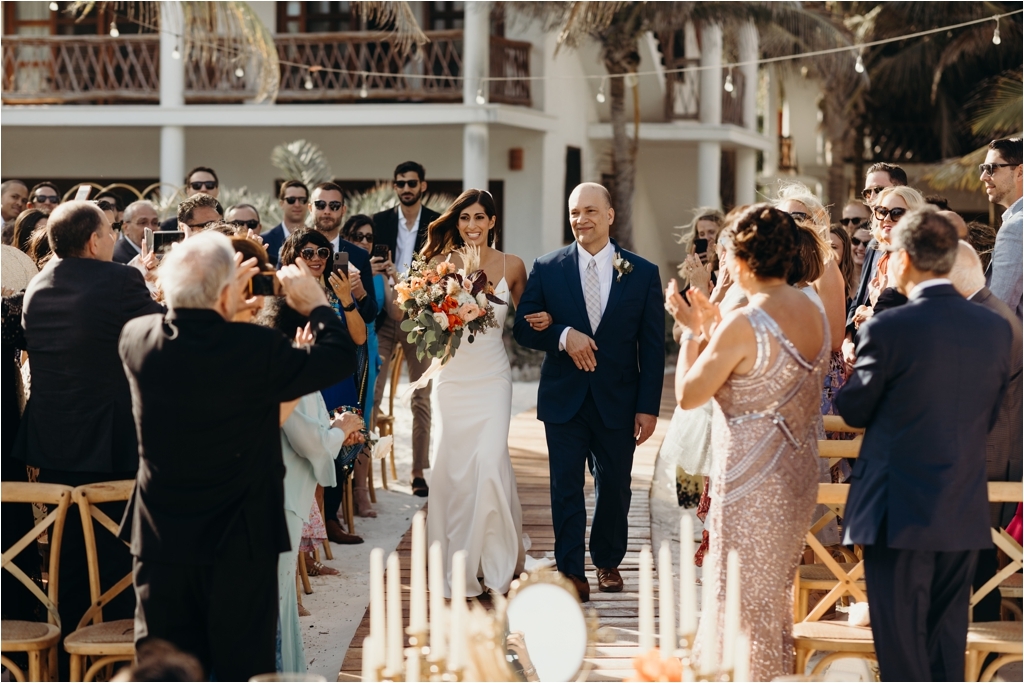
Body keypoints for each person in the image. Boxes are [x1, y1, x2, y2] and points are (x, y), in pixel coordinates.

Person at [117, 231, 358, 681]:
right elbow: (340, 356)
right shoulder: (259, 350)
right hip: (241, 544)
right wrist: (316, 305)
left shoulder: (137, 338)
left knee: (163, 667)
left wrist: (222, 300)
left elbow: (185, 326)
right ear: (227, 292)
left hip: (164, 540)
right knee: (239, 668)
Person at [836, 208, 1012, 682]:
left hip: (898, 510)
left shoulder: (890, 327)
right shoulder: (997, 329)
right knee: (944, 642)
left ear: (904, 259)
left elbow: (854, 408)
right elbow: (988, 415)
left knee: (900, 646)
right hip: (962, 507)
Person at [666, 204, 827, 680]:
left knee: (738, 597)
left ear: (740, 260)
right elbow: (762, 373)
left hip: (750, 485)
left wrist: (695, 334)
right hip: (796, 475)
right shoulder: (812, 310)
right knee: (769, 600)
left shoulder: (744, 323)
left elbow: (689, 394)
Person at [14, 201, 163, 675]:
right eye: (110, 230)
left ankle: (69, 661)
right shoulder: (120, 280)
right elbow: (164, 334)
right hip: (111, 444)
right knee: (119, 564)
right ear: (96, 240)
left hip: (53, 443)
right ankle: (112, 664)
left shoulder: (38, 284)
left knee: (68, 562)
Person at [513, 182, 664, 601]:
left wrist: (648, 407)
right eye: (575, 212)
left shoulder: (644, 273)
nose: (582, 219)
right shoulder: (547, 267)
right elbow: (523, 326)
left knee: (614, 485)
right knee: (565, 487)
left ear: (610, 215)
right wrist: (562, 335)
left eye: (591, 211)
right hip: (564, 397)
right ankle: (571, 571)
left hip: (619, 399)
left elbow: (652, 348)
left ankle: (608, 560)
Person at [418, 189, 529, 597]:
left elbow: (530, 320)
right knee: (455, 467)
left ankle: (497, 564)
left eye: (480, 217)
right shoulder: (437, 266)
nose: (472, 225)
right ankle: (460, 563)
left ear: (493, 221)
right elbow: (426, 328)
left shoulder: (512, 265)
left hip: (493, 377)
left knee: (489, 459)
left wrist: (550, 321)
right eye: (465, 218)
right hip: (454, 378)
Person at [256, 295, 364, 672]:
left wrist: (334, 431)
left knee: (281, 597)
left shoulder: (281, 363)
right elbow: (309, 440)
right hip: (281, 497)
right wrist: (340, 429)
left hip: (283, 494)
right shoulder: (290, 370)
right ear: (304, 331)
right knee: (278, 603)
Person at [947, 241, 1023, 622]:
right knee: (976, 561)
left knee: (976, 562)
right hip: (984, 454)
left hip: (984, 457)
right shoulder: (987, 311)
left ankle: (981, 650)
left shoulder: (987, 320)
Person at [279, 228, 368, 544]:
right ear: (294, 255)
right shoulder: (283, 293)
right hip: (304, 377)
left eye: (323, 252)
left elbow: (359, 338)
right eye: (308, 253)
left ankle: (329, 518)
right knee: (311, 448)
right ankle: (312, 531)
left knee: (339, 447)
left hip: (336, 378)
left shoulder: (336, 289)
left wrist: (346, 300)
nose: (317, 258)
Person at [371, 161, 442, 495]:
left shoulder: (437, 223)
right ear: (394, 186)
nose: (406, 188)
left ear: (422, 185)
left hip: (419, 320)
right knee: (371, 393)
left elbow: (442, 268)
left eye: (412, 182)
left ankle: (417, 471)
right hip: (384, 318)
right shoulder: (379, 222)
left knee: (421, 399)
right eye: (400, 183)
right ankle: (363, 470)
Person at [341, 213, 404, 517]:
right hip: (343, 347)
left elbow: (395, 314)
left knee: (367, 417)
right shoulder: (341, 268)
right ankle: (338, 493)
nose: (364, 242)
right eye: (357, 236)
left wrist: (391, 277)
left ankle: (361, 491)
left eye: (369, 238)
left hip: (370, 345)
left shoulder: (375, 273)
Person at [848, 163, 908, 321]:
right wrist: (847, 339)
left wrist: (873, 313)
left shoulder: (915, 253)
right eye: (868, 193)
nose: (873, 197)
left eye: (879, 190)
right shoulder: (873, 245)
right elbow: (860, 298)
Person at [982, 137, 1023, 319]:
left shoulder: (1015, 228)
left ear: (1020, 172)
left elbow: (999, 309)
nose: (983, 176)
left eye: (991, 168)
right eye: (983, 169)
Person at [263, 180, 309, 266]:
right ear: (281, 203)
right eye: (291, 200)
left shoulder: (317, 239)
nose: (297, 204)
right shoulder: (265, 240)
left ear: (307, 203)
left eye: (302, 200)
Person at [160, 166, 220, 230]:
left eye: (209, 185)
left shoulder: (228, 222)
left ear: (217, 190)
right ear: (187, 190)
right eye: (196, 185)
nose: (203, 189)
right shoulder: (167, 227)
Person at [829, 224, 856, 307]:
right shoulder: (808, 283)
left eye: (833, 247)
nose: (828, 252)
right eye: (824, 247)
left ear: (844, 252)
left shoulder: (855, 287)